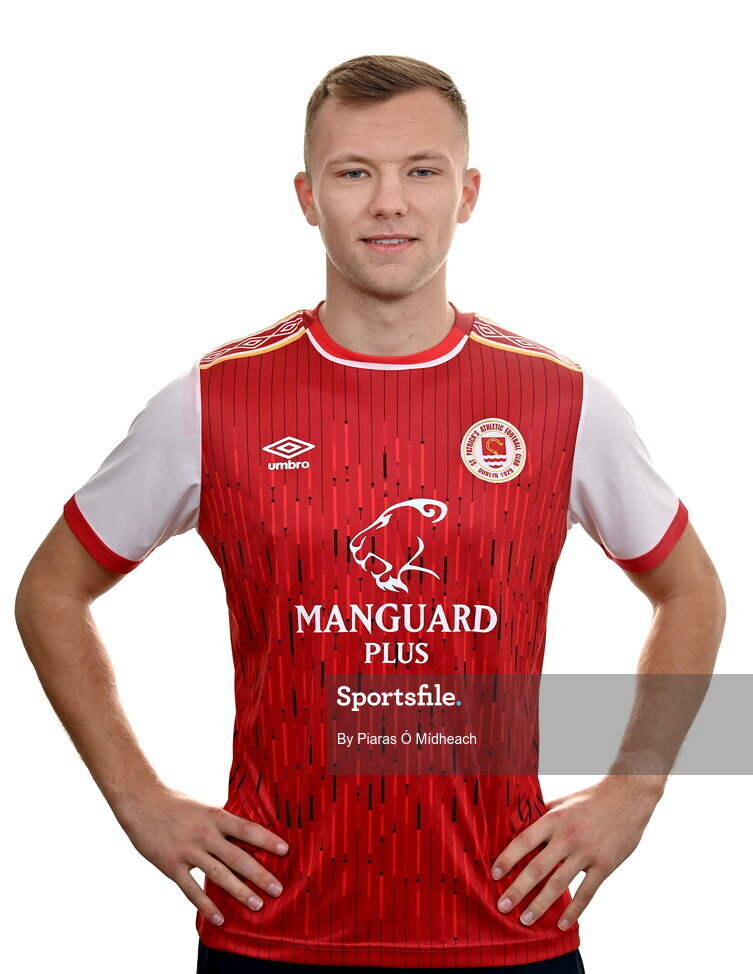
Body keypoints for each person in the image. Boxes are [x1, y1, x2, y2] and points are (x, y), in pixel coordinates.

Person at [15, 54, 724, 974]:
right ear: (308, 197)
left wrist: (634, 791)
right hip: (274, 929)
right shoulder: (212, 404)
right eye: (355, 172)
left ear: (466, 193)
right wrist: (137, 801)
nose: (389, 202)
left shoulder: (561, 402)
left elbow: (693, 593)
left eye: (420, 171)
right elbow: (49, 593)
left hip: (507, 928)